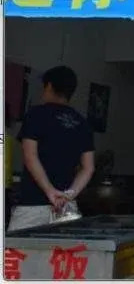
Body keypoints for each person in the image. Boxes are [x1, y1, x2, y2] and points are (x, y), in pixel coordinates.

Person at [8, 66, 95, 232]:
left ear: (48, 86)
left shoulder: (36, 115)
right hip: (66, 208)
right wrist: (69, 195)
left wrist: (50, 191)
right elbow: (88, 168)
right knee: (63, 250)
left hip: (33, 206)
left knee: (18, 247)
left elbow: (30, 156)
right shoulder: (82, 123)